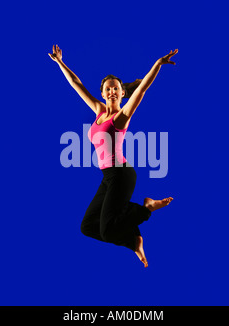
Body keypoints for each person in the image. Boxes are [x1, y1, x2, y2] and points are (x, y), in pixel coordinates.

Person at [48, 45, 177, 267]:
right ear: (103, 93)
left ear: (122, 92)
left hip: (122, 175)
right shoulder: (98, 110)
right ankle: (134, 237)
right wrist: (60, 62)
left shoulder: (121, 117)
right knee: (88, 226)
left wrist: (157, 64)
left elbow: (142, 89)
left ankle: (145, 209)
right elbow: (76, 84)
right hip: (108, 177)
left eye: (115, 88)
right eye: (108, 89)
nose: (111, 92)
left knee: (107, 231)